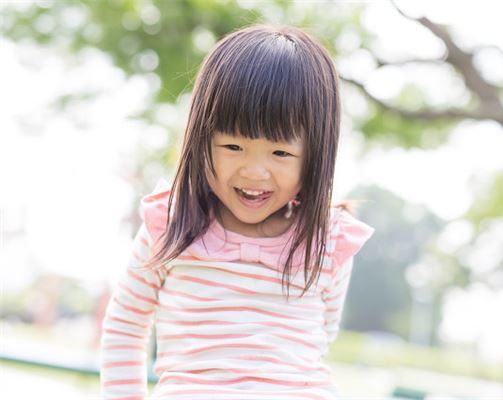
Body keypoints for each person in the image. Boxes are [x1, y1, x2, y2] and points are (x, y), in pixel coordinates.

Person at [100, 23, 374, 400]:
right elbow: (126, 326)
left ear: (315, 156)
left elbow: (321, 336)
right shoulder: (171, 223)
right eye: (232, 146)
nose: (254, 171)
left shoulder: (327, 240)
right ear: (202, 140)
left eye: (280, 153)